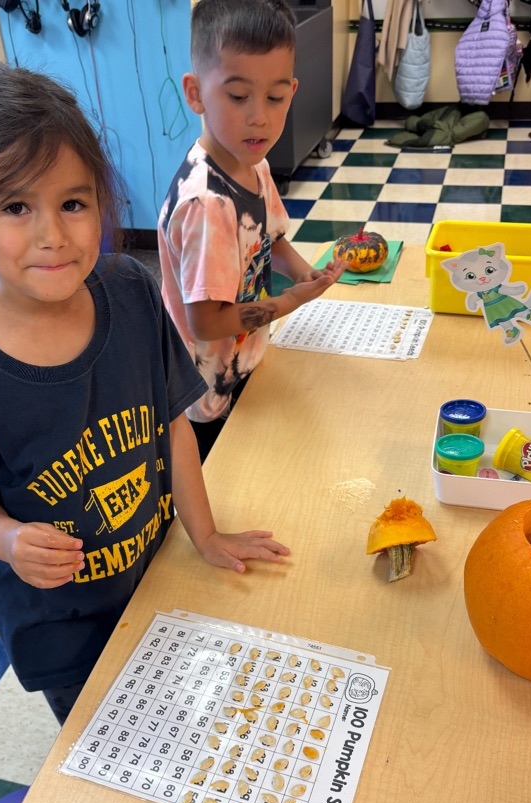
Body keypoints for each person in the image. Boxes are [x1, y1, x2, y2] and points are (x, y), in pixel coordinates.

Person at [0, 62, 289, 725]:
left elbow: (172, 420)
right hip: (61, 624)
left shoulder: (131, 290)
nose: (52, 235)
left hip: (151, 571)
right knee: (108, 740)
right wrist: (6, 541)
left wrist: (201, 534)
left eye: (73, 202)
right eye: (13, 207)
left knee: (183, 724)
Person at [158, 0, 346, 461]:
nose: (259, 116)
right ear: (196, 92)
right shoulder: (207, 204)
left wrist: (305, 274)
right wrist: (289, 301)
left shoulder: (251, 164)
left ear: (293, 91)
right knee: (226, 489)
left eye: (276, 97)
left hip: (244, 363)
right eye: (238, 97)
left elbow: (271, 239)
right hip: (204, 394)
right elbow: (206, 321)